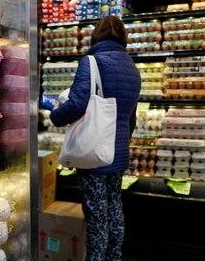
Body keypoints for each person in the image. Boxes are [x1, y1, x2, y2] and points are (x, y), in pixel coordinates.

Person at [49, 15, 142, 261]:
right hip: (118, 152)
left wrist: (56, 115)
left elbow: (77, 104)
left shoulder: (92, 62)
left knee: (97, 215)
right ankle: (113, 257)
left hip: (94, 155)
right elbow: (131, 117)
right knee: (114, 208)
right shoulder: (132, 67)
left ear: (96, 35)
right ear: (123, 37)